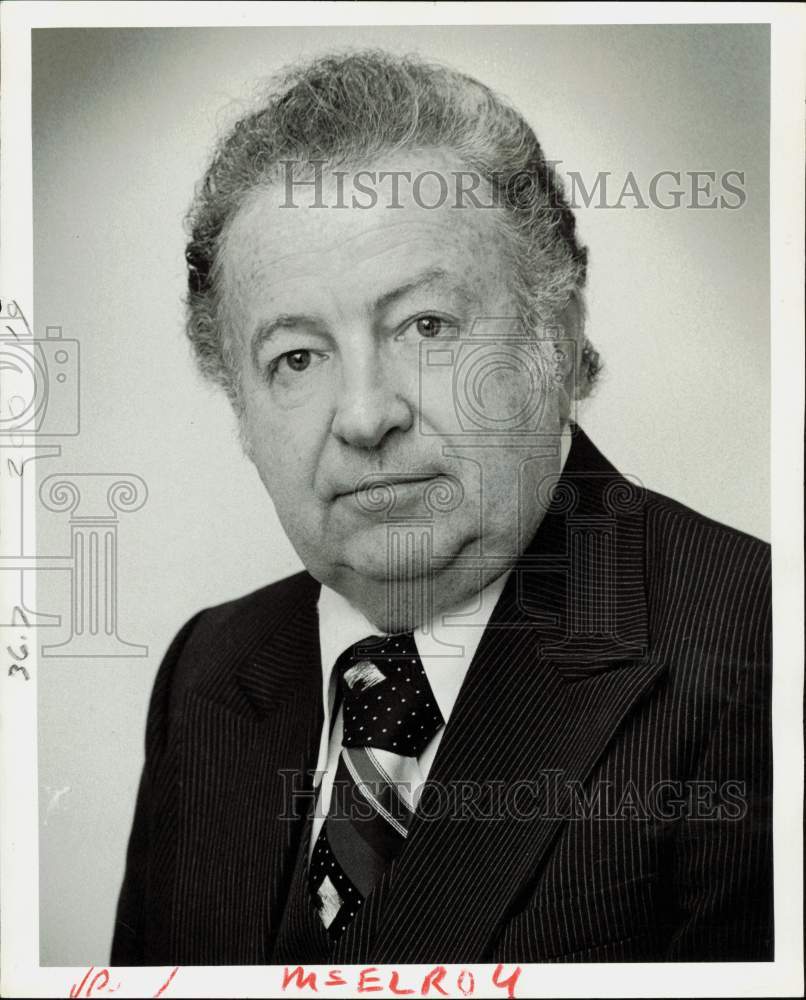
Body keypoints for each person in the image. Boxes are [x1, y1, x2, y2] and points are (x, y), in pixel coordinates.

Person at [111, 50, 772, 965]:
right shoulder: (208, 669)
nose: (366, 414)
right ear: (241, 408)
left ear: (559, 333)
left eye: (427, 327)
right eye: (297, 357)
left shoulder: (762, 644)